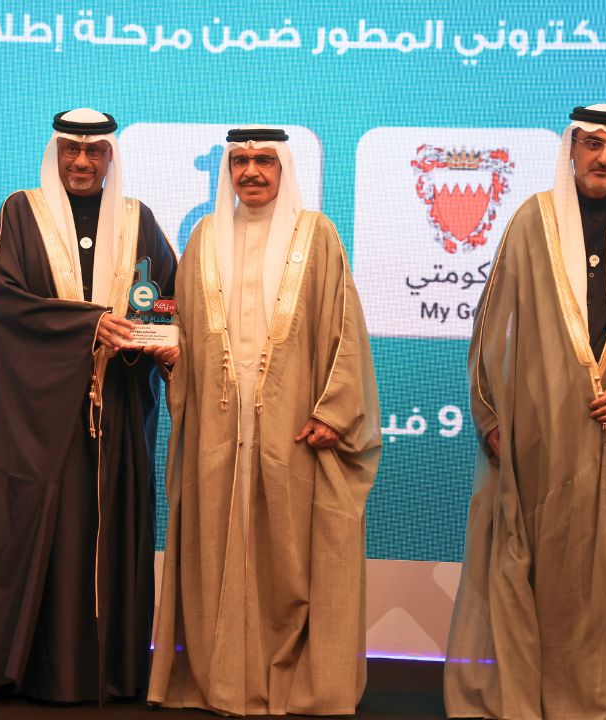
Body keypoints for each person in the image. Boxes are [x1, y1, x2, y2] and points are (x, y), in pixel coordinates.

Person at [445, 104, 606, 720]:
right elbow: (490, 326)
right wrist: (492, 418)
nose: (603, 157)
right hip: (548, 437)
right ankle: (547, 699)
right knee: (550, 573)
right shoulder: (531, 221)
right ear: (572, 148)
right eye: (592, 143)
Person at [147, 127, 381, 716]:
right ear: (227, 170)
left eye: (265, 161)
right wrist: (168, 353)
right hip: (218, 428)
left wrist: (334, 410)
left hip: (295, 428)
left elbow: (345, 330)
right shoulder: (203, 238)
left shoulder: (318, 236)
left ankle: (292, 682)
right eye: (241, 161)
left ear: (284, 169)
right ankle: (223, 680)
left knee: (290, 561)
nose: (251, 172)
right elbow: (185, 327)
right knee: (217, 547)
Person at [0, 108, 177, 704]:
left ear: (110, 157)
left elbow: (165, 297)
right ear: (55, 154)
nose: (82, 162)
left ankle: (109, 670)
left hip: (116, 411)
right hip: (37, 415)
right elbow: (7, 303)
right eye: (71, 151)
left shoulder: (138, 220)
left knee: (108, 533)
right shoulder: (19, 212)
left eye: (94, 151)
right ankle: (13, 669)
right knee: (32, 530)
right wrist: (90, 325)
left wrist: (158, 340)